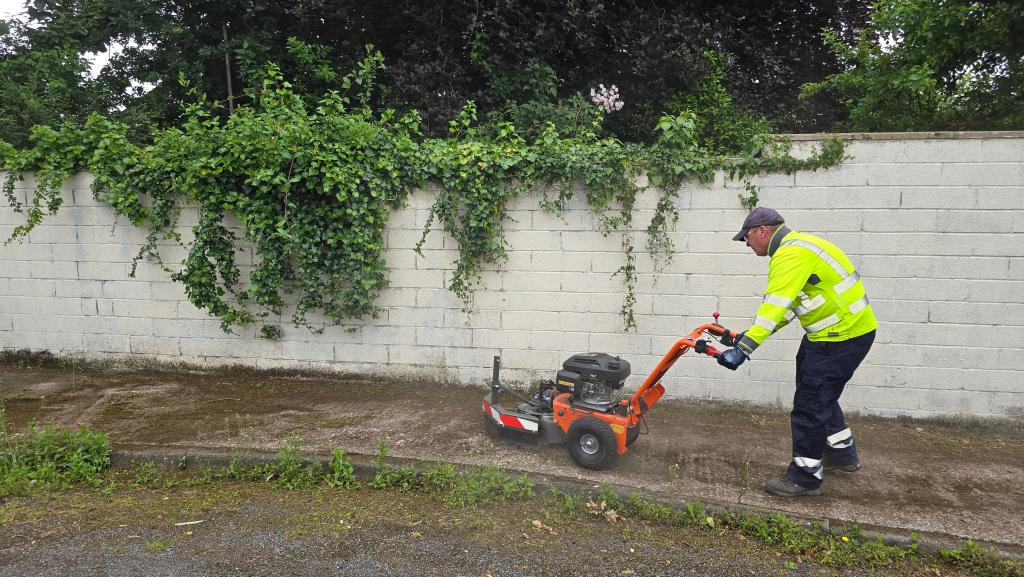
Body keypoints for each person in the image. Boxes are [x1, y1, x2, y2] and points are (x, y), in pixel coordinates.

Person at [717, 207, 877, 497]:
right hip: (839, 333)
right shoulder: (802, 245)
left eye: (747, 237)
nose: (747, 243)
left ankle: (805, 477)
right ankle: (841, 452)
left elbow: (774, 306)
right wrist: (746, 337)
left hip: (839, 338)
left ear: (762, 231)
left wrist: (744, 349)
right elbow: (787, 308)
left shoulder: (789, 256)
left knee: (810, 403)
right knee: (816, 389)